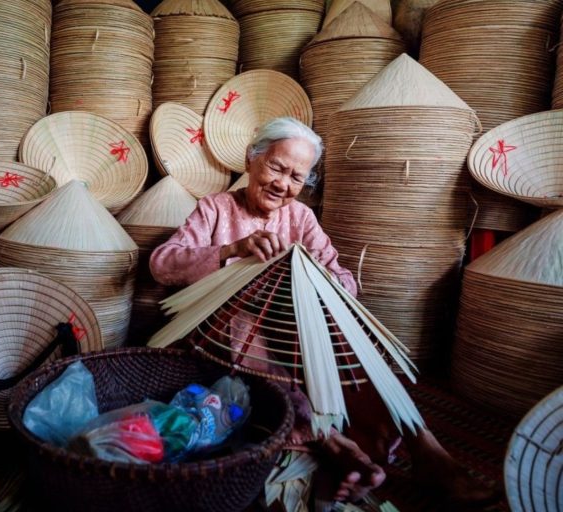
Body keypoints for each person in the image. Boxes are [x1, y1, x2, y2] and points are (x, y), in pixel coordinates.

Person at [149, 117, 498, 506]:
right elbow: (163, 264)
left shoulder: (301, 218)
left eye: (297, 177)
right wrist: (233, 250)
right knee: (255, 337)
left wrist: (311, 277)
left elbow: (345, 281)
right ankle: (333, 444)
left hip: (296, 328)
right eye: (277, 167)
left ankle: (426, 450)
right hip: (226, 332)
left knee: (356, 349)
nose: (284, 184)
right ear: (251, 159)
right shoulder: (215, 208)